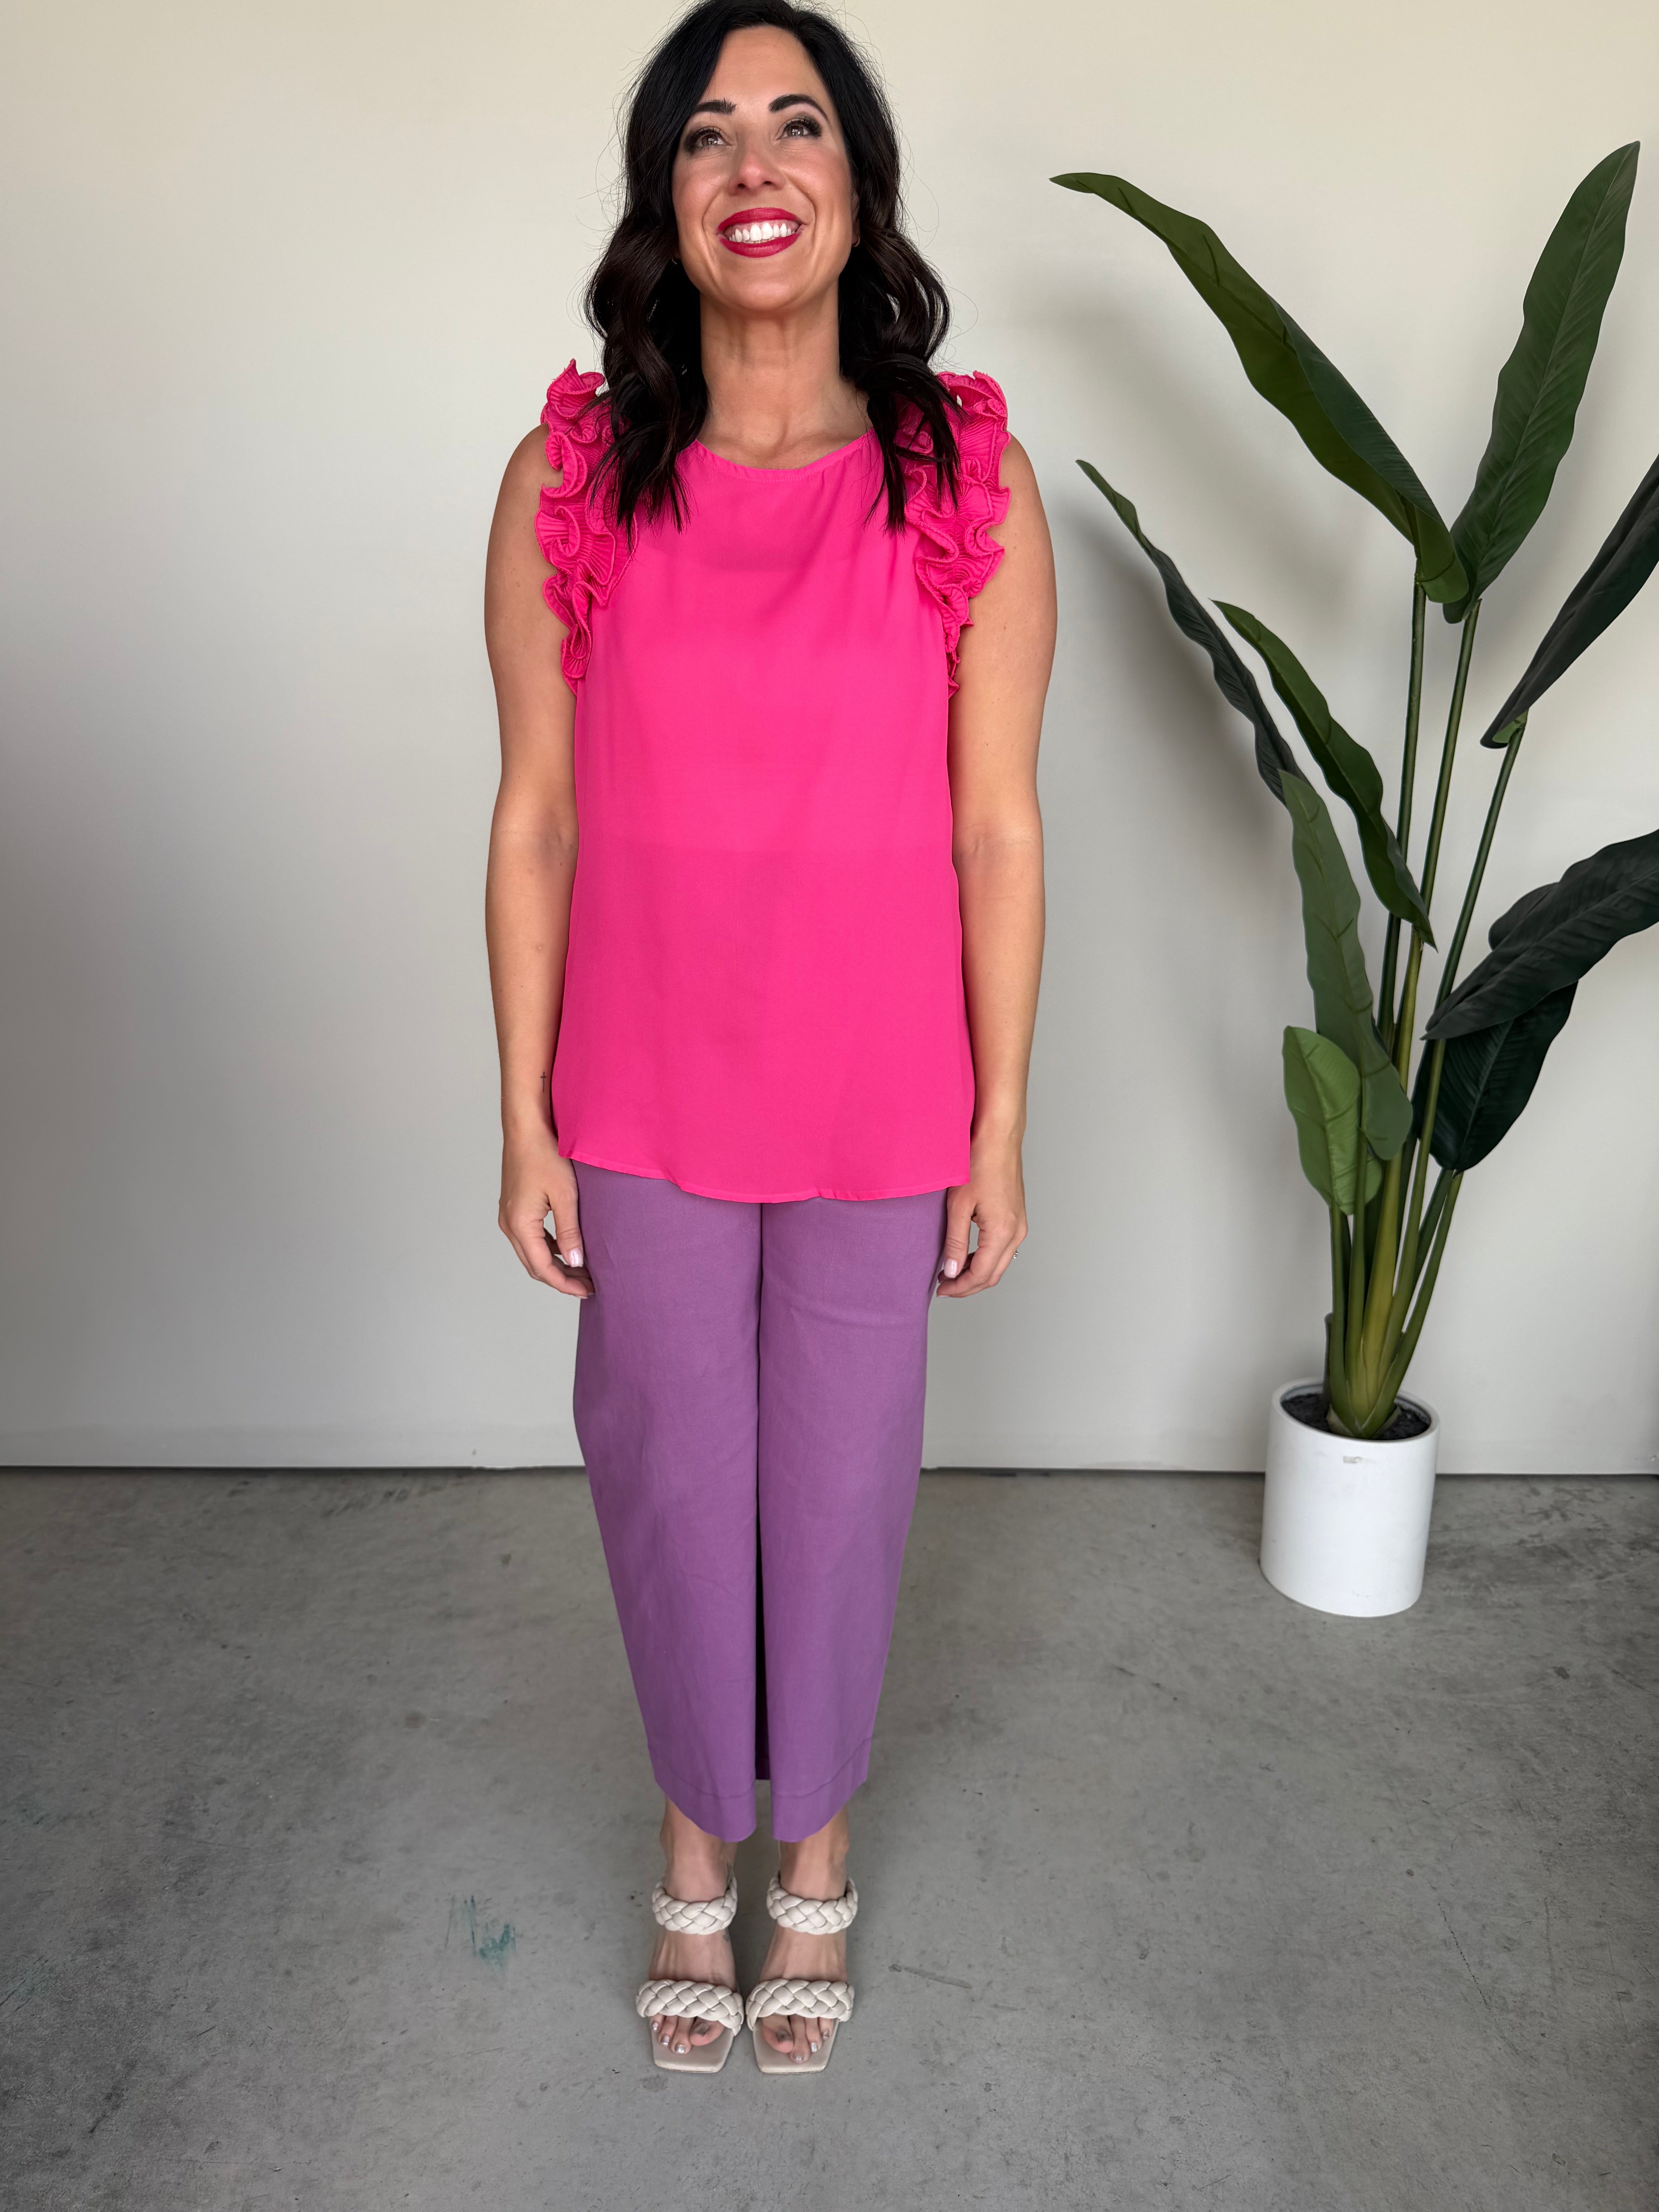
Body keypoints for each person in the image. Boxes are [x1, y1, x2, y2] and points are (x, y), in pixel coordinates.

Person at [483, 0, 1053, 2075]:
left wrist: (1001, 1124)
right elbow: (533, 820)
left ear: (856, 189)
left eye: (797, 125)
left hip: (878, 1089)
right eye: (709, 132)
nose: (754, 167)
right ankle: (686, 1837)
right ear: (668, 195)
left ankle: (812, 1847)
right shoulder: (569, 475)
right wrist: (523, 1121)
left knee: (836, 1489)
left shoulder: (959, 478)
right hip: (638, 1081)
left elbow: (998, 827)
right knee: (663, 1476)